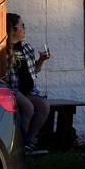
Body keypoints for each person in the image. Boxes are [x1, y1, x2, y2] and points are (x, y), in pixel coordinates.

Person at [6, 13, 51, 155]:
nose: (24, 29)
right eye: (22, 26)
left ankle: (29, 143)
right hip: (11, 88)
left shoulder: (25, 46)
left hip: (28, 90)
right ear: (12, 29)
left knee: (44, 106)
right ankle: (19, 146)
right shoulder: (1, 47)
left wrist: (42, 60)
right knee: (28, 108)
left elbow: (34, 70)